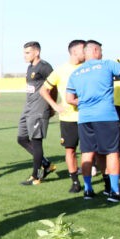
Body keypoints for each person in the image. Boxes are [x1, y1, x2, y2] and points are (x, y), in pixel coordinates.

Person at [66, 40, 120, 202]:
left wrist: (86, 102)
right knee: (112, 153)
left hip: (85, 118)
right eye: (100, 50)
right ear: (94, 50)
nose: (102, 53)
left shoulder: (76, 73)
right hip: (105, 116)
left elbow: (69, 99)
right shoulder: (107, 64)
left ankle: (88, 190)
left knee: (87, 153)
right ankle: (114, 192)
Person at [40, 40, 86, 193]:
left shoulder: (88, 67)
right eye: (83, 50)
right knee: (70, 150)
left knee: (89, 151)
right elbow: (43, 90)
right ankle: (75, 182)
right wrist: (55, 106)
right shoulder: (61, 70)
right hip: (68, 118)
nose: (86, 52)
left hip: (88, 116)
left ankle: (89, 181)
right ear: (74, 52)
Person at [17, 41, 55, 185]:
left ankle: (36, 176)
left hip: (39, 109)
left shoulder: (44, 67)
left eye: (27, 52)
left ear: (36, 52)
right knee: (21, 139)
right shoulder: (30, 67)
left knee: (36, 141)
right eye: (24, 52)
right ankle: (46, 164)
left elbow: (54, 86)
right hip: (28, 108)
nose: (24, 55)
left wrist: (51, 106)